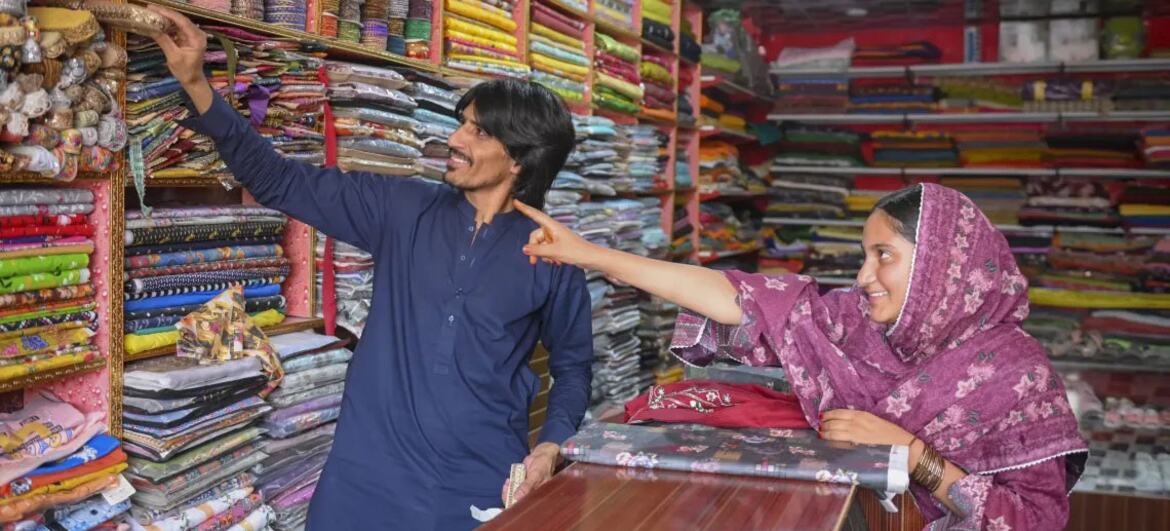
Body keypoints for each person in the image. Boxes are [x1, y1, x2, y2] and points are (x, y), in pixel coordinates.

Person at [148, 7, 594, 529]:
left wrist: (549, 447)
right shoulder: (402, 208)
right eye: (461, 124)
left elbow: (574, 366)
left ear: (519, 159)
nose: (455, 140)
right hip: (365, 479)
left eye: (477, 132)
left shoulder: (553, 253)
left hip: (476, 485)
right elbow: (281, 182)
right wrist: (198, 83)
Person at [517, 183, 1089, 529]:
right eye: (864, 256)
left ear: (943, 263)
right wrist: (590, 254)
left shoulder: (1018, 376)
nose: (864, 277)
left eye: (882, 255)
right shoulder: (856, 325)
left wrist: (914, 456)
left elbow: (1034, 521)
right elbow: (738, 299)